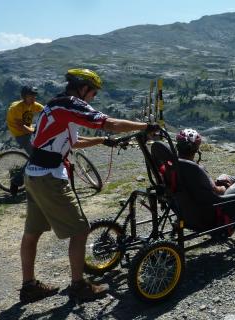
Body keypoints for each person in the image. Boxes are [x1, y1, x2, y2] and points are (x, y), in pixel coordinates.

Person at [19, 68, 161, 303]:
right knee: (81, 229)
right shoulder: (72, 104)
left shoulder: (56, 105)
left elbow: (74, 141)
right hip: (49, 177)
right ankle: (78, 286)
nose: (94, 97)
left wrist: (104, 142)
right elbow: (109, 123)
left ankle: (29, 286)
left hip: (33, 173)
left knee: (32, 232)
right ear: (84, 88)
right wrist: (146, 127)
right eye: (93, 92)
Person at [6, 86, 44, 155]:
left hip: (28, 131)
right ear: (24, 97)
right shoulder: (17, 108)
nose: (33, 98)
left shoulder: (33, 105)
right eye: (30, 96)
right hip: (21, 134)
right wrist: (34, 132)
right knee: (35, 156)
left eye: (34, 96)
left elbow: (46, 111)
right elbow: (21, 126)